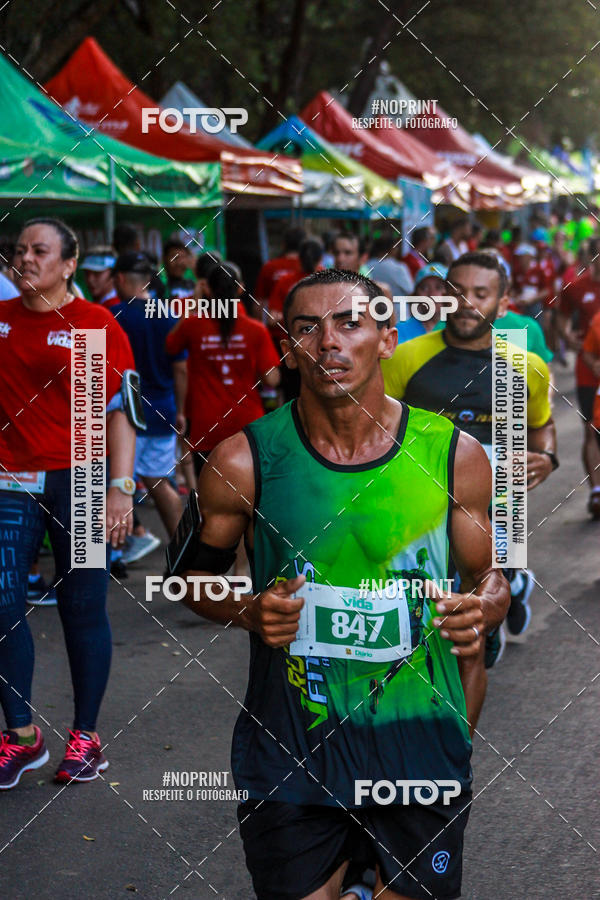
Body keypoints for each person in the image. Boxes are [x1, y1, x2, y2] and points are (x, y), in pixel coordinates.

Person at [177, 267, 509, 899]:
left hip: (418, 745)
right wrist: (248, 610)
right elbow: (189, 580)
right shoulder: (242, 459)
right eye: (307, 328)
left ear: (386, 339)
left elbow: (491, 576)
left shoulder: (453, 453)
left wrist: (486, 606)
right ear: (287, 349)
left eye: (350, 323)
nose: (328, 341)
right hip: (291, 749)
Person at [0, 217, 136, 788]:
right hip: (11, 479)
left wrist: (120, 489)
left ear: (69, 263)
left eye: (40, 250)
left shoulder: (93, 323)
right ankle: (22, 735)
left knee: (82, 608)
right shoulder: (2, 321)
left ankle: (86, 736)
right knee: (2, 602)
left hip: (80, 479)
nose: (25, 259)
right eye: (19, 250)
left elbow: (118, 413)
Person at [382, 252, 557, 664]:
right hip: (425, 488)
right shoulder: (405, 356)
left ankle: (505, 595)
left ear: (503, 303)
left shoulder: (524, 365)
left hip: (501, 491)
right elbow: (376, 424)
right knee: (437, 581)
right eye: (458, 292)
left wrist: (548, 456)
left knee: (490, 575)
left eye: (481, 294)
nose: (466, 303)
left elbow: (542, 424)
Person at [165, 262, 281, 478]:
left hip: (206, 426)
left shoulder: (193, 325)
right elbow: (272, 379)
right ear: (241, 289)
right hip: (247, 425)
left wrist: (194, 305)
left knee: (209, 492)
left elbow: (171, 346)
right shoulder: (257, 330)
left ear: (207, 289)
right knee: (249, 491)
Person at [111, 252, 185, 540]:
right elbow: (181, 369)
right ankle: (184, 549)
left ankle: (119, 548)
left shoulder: (114, 316)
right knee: (158, 481)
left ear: (119, 279)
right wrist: (181, 410)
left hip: (124, 415)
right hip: (163, 410)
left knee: (114, 482)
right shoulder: (168, 315)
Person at [558, 237, 600, 517]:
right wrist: (566, 337)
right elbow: (561, 316)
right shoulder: (576, 288)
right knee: (590, 428)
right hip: (589, 370)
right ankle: (596, 491)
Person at [254, 225, 305, 312]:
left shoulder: (269, 267)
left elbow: (259, 303)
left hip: (275, 319)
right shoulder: (312, 269)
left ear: (283, 244)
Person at [396, 262, 448, 344]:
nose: (431, 294)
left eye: (439, 288)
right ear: (416, 294)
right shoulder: (400, 331)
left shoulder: (455, 330)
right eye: (424, 288)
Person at [364, 232, 413, 296]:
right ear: (392, 248)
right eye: (396, 247)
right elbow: (410, 290)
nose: (397, 249)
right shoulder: (399, 268)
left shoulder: (366, 266)